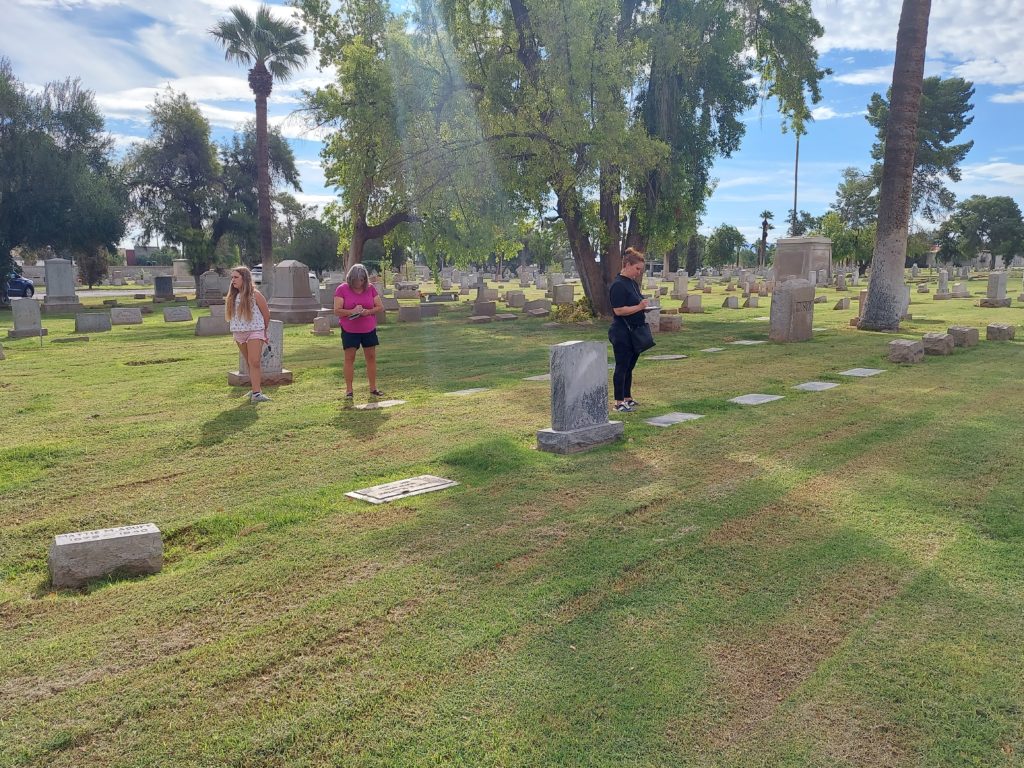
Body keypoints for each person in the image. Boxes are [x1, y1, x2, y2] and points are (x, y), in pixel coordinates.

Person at [608, 247, 649, 412]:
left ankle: (627, 397)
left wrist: (643, 306)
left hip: (635, 330)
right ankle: (618, 402)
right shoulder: (618, 285)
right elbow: (618, 310)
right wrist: (639, 307)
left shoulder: (632, 284)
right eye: (637, 268)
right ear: (627, 265)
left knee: (630, 366)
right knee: (621, 366)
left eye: (640, 269)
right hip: (621, 331)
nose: (639, 272)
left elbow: (636, 304)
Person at [334, 263, 385, 399]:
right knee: (350, 358)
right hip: (350, 329)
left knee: (371, 357)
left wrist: (368, 311)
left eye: (362, 280)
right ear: (351, 279)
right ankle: (349, 390)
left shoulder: (370, 289)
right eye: (356, 280)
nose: (359, 283)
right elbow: (337, 310)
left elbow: (379, 307)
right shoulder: (342, 289)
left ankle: (373, 387)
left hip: (368, 328)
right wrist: (352, 311)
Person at [225, 266, 272, 403]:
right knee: (249, 362)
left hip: (255, 331)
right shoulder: (232, 296)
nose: (232, 280)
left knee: (255, 361)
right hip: (239, 333)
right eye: (232, 277)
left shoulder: (255, 294)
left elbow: (266, 314)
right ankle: (255, 389)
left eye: (236, 277)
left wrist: (264, 331)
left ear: (244, 278)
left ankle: (257, 394)